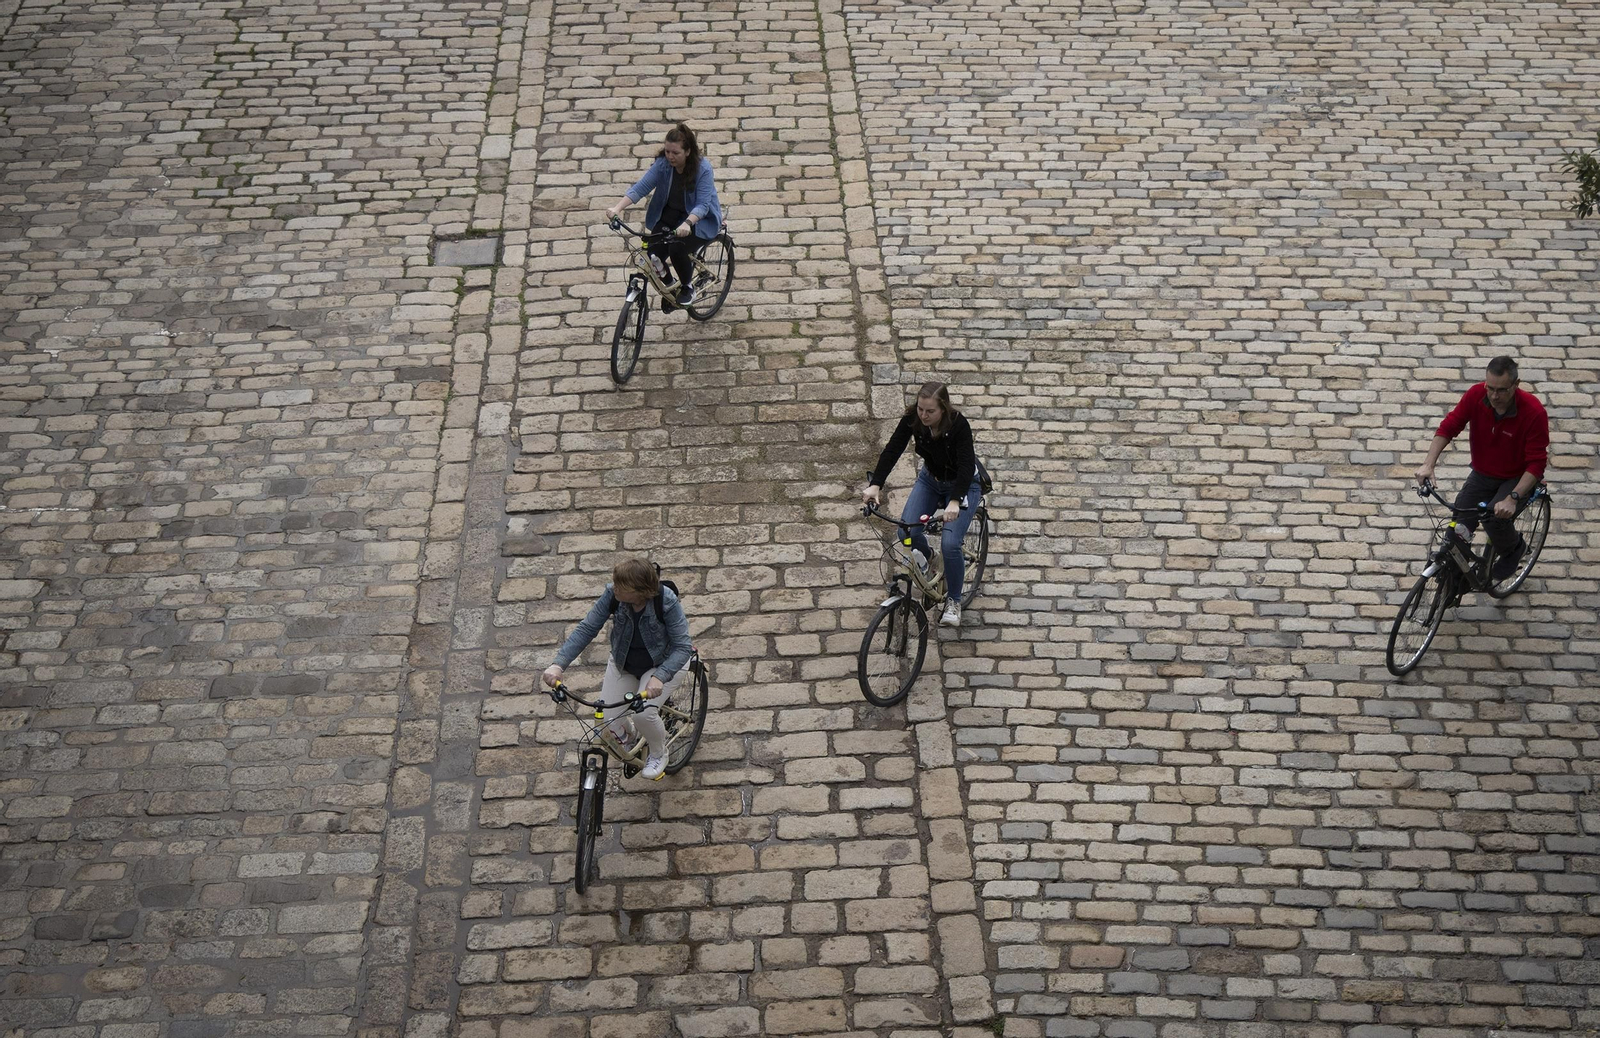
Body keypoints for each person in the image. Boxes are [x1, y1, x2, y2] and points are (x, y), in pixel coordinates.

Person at [542, 558, 692, 780]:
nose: (615, 588)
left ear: (640, 591)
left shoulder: (666, 602)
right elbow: (587, 628)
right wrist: (558, 664)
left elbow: (682, 646)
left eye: (621, 586)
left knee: (643, 714)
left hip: (663, 664)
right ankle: (632, 742)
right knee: (608, 720)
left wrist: (660, 677)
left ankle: (659, 752)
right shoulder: (613, 595)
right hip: (624, 664)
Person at [1414, 355, 1549, 581]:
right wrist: (1428, 464)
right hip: (1483, 473)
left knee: (1495, 518)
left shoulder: (1533, 412)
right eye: (1490, 388)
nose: (1494, 396)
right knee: (1458, 524)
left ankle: (1514, 549)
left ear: (1516, 385)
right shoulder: (1476, 395)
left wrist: (1513, 498)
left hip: (1516, 477)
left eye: (1502, 390)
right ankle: (1452, 581)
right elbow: (1450, 426)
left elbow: (1536, 463)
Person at [863, 381, 983, 628]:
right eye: (920, 409)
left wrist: (954, 501)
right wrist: (876, 484)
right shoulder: (913, 419)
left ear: (943, 409)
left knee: (951, 544)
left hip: (962, 484)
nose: (924, 415)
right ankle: (930, 556)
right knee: (906, 530)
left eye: (930, 411)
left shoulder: (959, 425)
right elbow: (893, 448)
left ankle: (954, 600)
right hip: (931, 480)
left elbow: (965, 467)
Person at [604, 122, 723, 311]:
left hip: (697, 220)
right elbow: (642, 187)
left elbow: (703, 204)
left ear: (688, 152)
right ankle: (670, 288)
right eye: (667, 151)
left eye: (675, 153)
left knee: (677, 249)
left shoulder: (703, 169)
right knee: (653, 254)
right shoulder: (663, 165)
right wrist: (617, 208)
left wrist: (687, 223)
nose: (670, 156)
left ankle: (687, 287)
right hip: (671, 214)